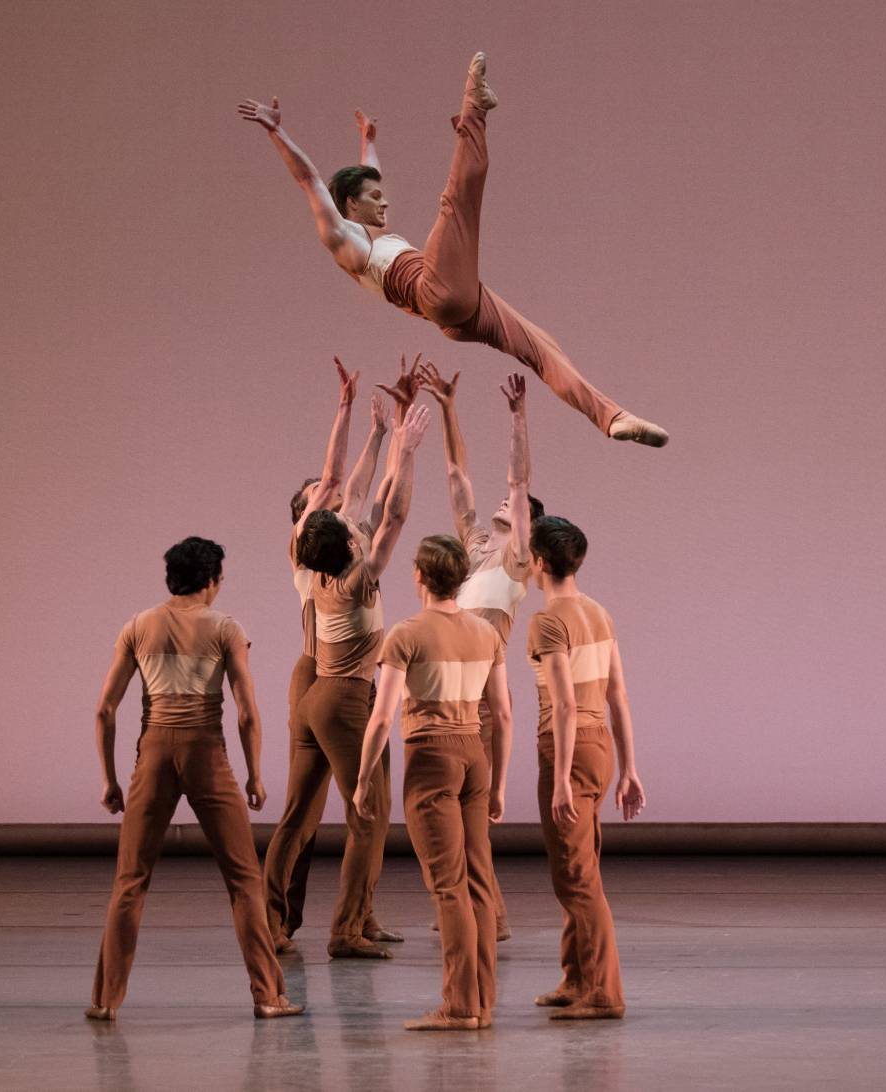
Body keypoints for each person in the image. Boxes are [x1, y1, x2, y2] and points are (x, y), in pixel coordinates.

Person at [238, 51, 668, 447]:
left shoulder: (373, 235)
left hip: (455, 309)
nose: (385, 201)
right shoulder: (343, 239)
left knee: (542, 347)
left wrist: (368, 140)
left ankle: (613, 418)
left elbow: (370, 176)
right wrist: (277, 132)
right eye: (374, 197)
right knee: (455, 204)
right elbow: (309, 181)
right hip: (435, 291)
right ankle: (474, 105)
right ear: (349, 204)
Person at [86, 537, 302, 1021]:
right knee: (244, 880)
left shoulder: (138, 627)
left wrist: (109, 779)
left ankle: (104, 1001)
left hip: (154, 753)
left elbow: (105, 709)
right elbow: (246, 712)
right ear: (210, 582)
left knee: (130, 882)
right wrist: (254, 775)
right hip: (206, 751)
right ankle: (268, 996)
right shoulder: (224, 628)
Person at [274, 402, 432, 959]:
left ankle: (348, 916)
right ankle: (342, 927)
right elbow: (387, 510)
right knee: (361, 811)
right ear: (310, 516)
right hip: (336, 691)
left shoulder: (317, 556)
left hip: (330, 687)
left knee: (312, 812)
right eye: (327, 503)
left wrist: (376, 430)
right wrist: (404, 448)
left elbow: (364, 490)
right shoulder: (348, 573)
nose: (341, 506)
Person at [354, 535, 513, 1030]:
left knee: (448, 887)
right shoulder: (487, 634)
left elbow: (381, 718)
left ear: (419, 576)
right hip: (474, 756)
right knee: (478, 882)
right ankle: (480, 1001)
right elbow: (503, 714)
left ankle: (461, 1005)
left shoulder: (406, 634)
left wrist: (363, 781)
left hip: (430, 757)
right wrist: (501, 783)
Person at [419, 363, 539, 942]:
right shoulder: (470, 547)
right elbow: (456, 472)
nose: (503, 497)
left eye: (517, 509)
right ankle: (486, 918)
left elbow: (516, 486)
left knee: (475, 823)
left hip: (485, 701)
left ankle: (486, 922)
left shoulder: (517, 560)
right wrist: (447, 408)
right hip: (449, 698)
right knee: (457, 826)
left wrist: (519, 419)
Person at [525, 517, 647, 1020]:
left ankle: (603, 992)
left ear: (538, 562)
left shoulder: (548, 621)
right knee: (583, 866)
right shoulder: (599, 613)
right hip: (599, 749)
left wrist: (559, 783)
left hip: (568, 747)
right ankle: (576, 977)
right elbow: (617, 693)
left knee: (574, 876)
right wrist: (629, 768)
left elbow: (567, 705)